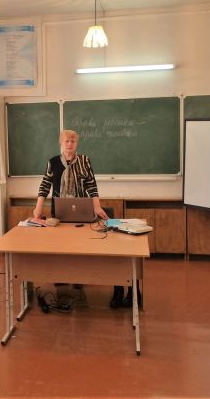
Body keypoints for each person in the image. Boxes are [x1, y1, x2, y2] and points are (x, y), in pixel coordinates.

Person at [33, 129, 134, 309]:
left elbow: (91, 185)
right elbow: (45, 185)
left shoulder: (84, 161)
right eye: (66, 141)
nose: (69, 144)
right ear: (61, 143)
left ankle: (78, 277)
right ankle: (62, 276)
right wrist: (38, 208)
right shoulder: (53, 162)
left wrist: (97, 206)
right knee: (61, 247)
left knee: (80, 246)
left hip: (80, 211)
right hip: (59, 213)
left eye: (73, 141)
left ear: (76, 143)